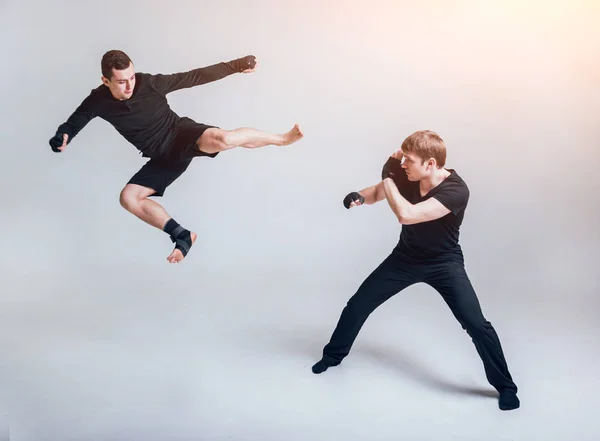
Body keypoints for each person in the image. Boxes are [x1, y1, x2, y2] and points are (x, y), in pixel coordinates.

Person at [312, 130, 520, 411]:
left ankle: (506, 387)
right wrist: (359, 196)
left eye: (409, 160)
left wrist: (388, 178)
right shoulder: (408, 177)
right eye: (403, 160)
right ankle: (332, 356)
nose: (403, 164)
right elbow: (378, 193)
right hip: (405, 259)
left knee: (476, 325)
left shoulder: (457, 190)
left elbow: (406, 215)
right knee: (358, 305)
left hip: (444, 263)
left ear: (431, 164)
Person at [49, 50, 303, 263]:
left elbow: (193, 77)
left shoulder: (149, 83)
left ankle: (281, 139)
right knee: (128, 198)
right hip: (162, 157)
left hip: (181, 134)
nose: (130, 85)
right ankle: (181, 235)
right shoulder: (98, 100)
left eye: (131, 77)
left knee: (223, 140)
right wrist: (62, 136)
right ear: (106, 81)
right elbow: (75, 122)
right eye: (122, 82)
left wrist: (236, 66)